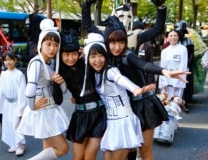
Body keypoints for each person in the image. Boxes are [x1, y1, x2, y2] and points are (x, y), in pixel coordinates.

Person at [82, 9, 190, 159]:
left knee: (144, 152)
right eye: (112, 42)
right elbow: (88, 25)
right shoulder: (102, 58)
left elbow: (143, 65)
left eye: (121, 42)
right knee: (126, 151)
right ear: (106, 41)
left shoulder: (128, 55)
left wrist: (164, 71)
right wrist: (86, 5)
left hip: (141, 104)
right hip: (119, 110)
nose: (117, 47)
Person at [81, 33, 156, 160]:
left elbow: (121, 79)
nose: (97, 60)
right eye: (93, 56)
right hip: (111, 122)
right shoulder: (93, 75)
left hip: (123, 121)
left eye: (101, 55)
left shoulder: (110, 71)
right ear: (87, 58)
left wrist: (135, 89)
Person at [17, 19, 70, 160]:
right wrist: (32, 106)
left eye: (56, 44)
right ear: (41, 44)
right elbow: (29, 90)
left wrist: (61, 81)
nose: (52, 48)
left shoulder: (52, 62)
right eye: (48, 44)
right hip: (42, 111)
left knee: (49, 149)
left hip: (50, 109)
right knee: (63, 148)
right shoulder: (36, 62)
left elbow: (63, 90)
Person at [53, 29, 107, 160]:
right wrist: (56, 84)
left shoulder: (87, 62)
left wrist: (89, 53)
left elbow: (102, 58)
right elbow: (58, 100)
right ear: (61, 54)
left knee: (89, 157)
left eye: (74, 54)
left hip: (99, 114)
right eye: (66, 54)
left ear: (79, 52)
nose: (70, 58)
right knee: (78, 158)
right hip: (80, 115)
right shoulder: (59, 70)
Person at [0, 51, 27, 156]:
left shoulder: (19, 74)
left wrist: (21, 107)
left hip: (16, 103)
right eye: (6, 60)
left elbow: (22, 91)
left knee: (16, 123)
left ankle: (20, 145)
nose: (8, 62)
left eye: (10, 59)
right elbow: (0, 90)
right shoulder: (4, 74)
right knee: (8, 124)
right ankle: (12, 143)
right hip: (7, 104)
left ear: (15, 60)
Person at [158, 30, 188, 102]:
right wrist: (163, 82)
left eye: (175, 35)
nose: (173, 38)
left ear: (178, 37)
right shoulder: (165, 51)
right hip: (167, 78)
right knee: (165, 101)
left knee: (176, 101)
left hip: (178, 78)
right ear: (167, 38)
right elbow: (162, 66)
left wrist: (177, 80)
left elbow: (183, 65)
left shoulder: (183, 49)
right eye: (171, 36)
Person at [174, 20, 194, 113]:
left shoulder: (189, 41)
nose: (180, 34)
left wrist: (185, 64)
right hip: (173, 67)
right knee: (173, 85)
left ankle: (184, 103)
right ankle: (173, 102)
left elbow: (191, 55)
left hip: (185, 67)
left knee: (185, 85)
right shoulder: (172, 41)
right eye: (179, 32)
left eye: (182, 32)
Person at [132, 21, 156, 85]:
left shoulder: (148, 47)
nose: (138, 34)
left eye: (140, 32)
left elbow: (150, 63)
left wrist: (150, 82)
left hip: (143, 77)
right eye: (135, 32)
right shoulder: (127, 45)